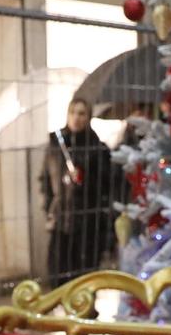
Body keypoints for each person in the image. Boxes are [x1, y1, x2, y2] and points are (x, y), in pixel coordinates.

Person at [40, 97, 120, 284]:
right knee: (57, 274)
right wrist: (49, 208)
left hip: (88, 223)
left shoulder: (97, 149)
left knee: (85, 277)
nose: (76, 118)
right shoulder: (56, 145)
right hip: (61, 220)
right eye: (73, 113)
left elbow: (107, 184)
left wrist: (85, 177)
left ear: (88, 117)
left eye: (82, 113)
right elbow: (45, 181)